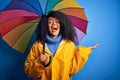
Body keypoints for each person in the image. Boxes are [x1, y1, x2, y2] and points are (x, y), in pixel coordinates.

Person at [24, 11, 98, 80]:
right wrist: (39, 62)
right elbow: (29, 72)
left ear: (62, 25)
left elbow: (72, 69)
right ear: (46, 25)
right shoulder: (37, 46)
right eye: (50, 22)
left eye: (57, 22)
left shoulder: (69, 45)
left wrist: (83, 53)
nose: (54, 24)